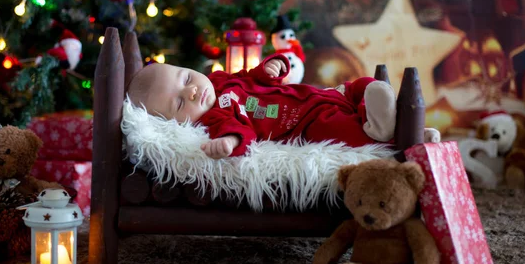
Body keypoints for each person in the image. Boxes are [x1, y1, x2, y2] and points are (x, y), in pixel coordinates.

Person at [127, 54, 396, 159]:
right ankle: (386, 131)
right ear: (175, 123)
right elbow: (240, 131)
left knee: (358, 86)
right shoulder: (213, 119)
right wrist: (230, 143)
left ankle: (374, 105)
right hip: (305, 124)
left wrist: (269, 68)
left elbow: (250, 77)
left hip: (315, 95)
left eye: (186, 78)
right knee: (343, 131)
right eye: (179, 102)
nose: (193, 91)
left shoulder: (220, 79)